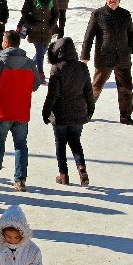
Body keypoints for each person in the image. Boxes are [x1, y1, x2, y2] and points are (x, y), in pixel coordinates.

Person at [0, 30, 41, 192]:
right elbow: (35, 85)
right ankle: (20, 179)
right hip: (21, 111)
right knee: (21, 145)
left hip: (1, 111)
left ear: (5, 43)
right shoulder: (29, 63)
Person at [81, 0, 133, 126]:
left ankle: (125, 116)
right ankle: (85, 113)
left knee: (126, 88)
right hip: (104, 57)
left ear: (119, 1)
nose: (113, 0)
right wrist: (85, 56)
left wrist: (130, 49)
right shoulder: (98, 14)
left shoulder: (125, 15)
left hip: (123, 58)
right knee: (96, 87)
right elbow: (88, 37)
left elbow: (131, 32)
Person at [43, 37, 95, 185]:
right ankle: (81, 168)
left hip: (60, 114)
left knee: (60, 144)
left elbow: (52, 95)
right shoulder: (82, 67)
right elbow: (88, 92)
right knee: (76, 142)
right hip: (78, 112)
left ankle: (63, 175)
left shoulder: (57, 68)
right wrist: (90, 109)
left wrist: (46, 112)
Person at [16, 0, 57, 82]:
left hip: (47, 30)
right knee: (39, 52)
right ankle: (40, 74)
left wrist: (52, 24)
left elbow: (56, 13)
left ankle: (26, 67)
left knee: (42, 52)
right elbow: (24, 12)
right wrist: (30, 24)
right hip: (34, 30)